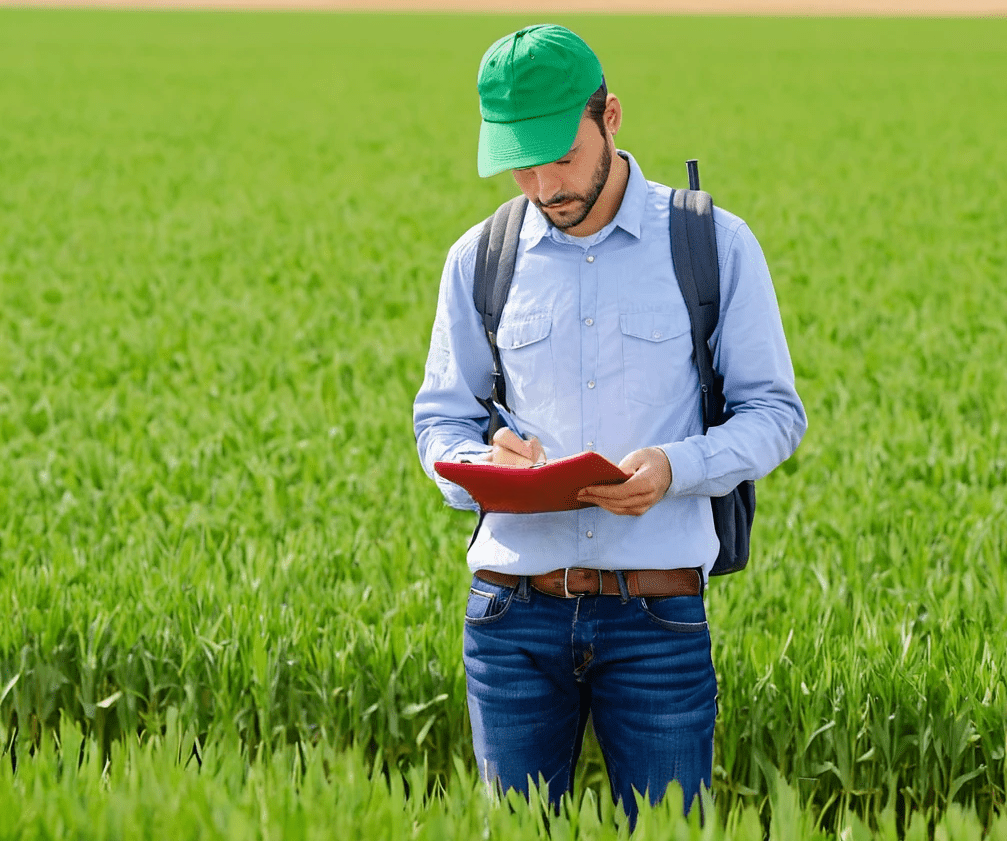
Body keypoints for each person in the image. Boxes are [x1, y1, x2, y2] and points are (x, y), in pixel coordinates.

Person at [413, 23, 806, 823]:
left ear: (611, 118)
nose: (543, 184)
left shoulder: (710, 244)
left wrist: (674, 468)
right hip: (507, 621)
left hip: (656, 621)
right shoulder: (479, 259)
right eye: (521, 162)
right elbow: (440, 424)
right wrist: (482, 466)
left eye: (561, 155)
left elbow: (774, 414)